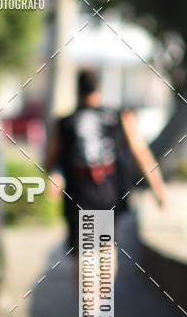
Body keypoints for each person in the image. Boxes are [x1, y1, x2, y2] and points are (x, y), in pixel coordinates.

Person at [45, 69, 167, 286]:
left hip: (78, 196)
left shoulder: (65, 122)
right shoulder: (118, 116)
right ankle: (99, 303)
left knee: (84, 255)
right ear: (99, 90)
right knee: (106, 251)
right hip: (107, 194)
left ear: (77, 91)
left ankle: (89, 311)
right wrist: (159, 190)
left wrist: (54, 177)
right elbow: (142, 154)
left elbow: (50, 161)